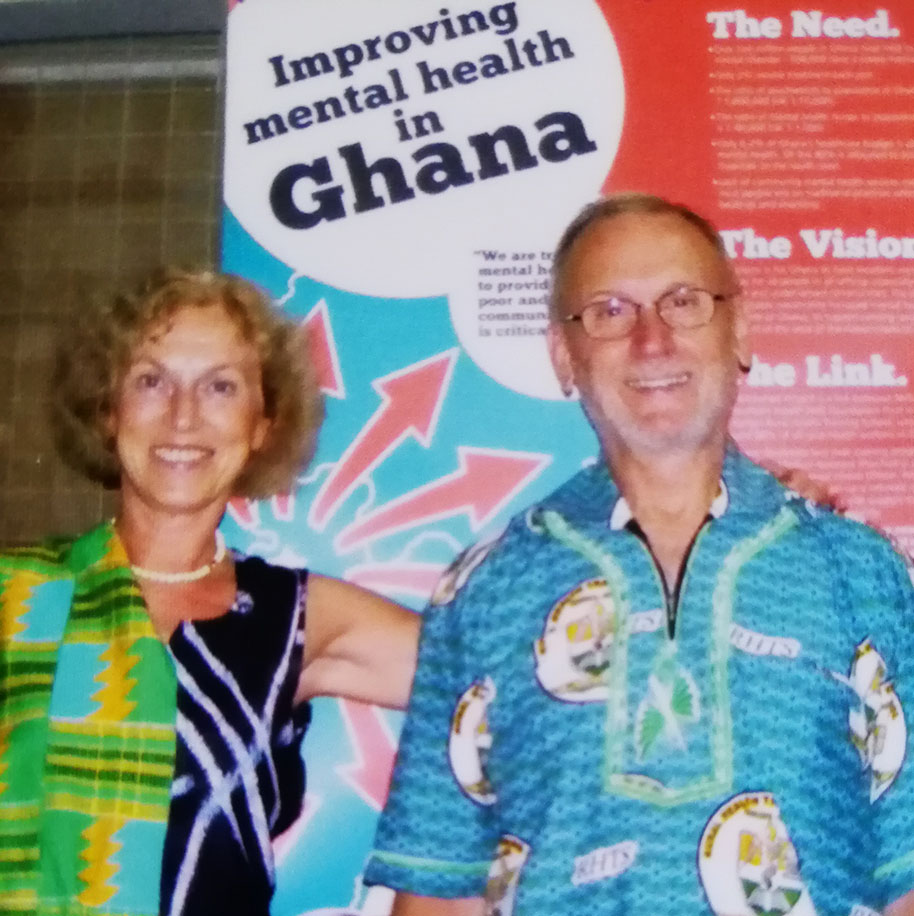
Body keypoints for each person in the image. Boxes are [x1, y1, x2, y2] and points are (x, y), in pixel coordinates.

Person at [363, 193, 914, 916]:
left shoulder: (863, 572)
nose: (652, 340)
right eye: (610, 311)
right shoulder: (483, 591)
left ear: (739, 330)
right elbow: (439, 887)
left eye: (684, 302)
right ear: (564, 355)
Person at [0, 268, 418, 916]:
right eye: (151, 380)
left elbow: (521, 685)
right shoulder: (15, 595)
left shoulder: (296, 619)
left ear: (262, 424)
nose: (184, 415)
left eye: (221, 386)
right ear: (109, 410)